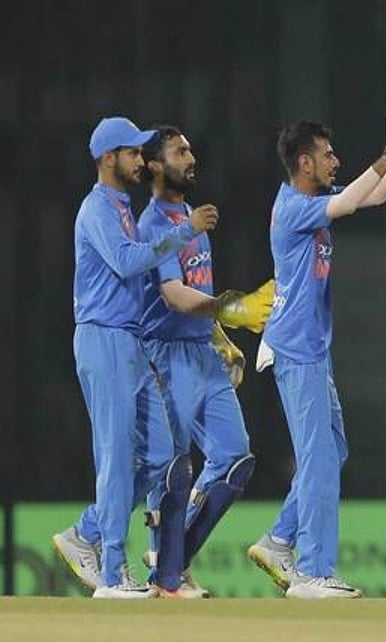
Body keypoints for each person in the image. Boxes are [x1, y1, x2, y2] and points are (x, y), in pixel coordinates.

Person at [54, 126, 273, 599]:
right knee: (119, 457)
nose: (138, 159)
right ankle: (115, 572)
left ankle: (97, 536)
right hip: (111, 338)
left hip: (134, 340)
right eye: (133, 152)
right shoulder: (103, 210)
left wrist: (218, 333)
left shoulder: (122, 210)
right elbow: (134, 267)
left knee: (158, 456)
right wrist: (191, 240)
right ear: (109, 157)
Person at [246, 105, 386, 599]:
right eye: (327, 154)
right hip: (297, 348)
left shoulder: (315, 199)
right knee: (318, 460)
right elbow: (351, 199)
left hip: (311, 349)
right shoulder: (294, 208)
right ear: (304, 163)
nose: (335, 161)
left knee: (332, 450)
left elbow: (374, 194)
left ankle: (279, 540)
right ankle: (313, 572)